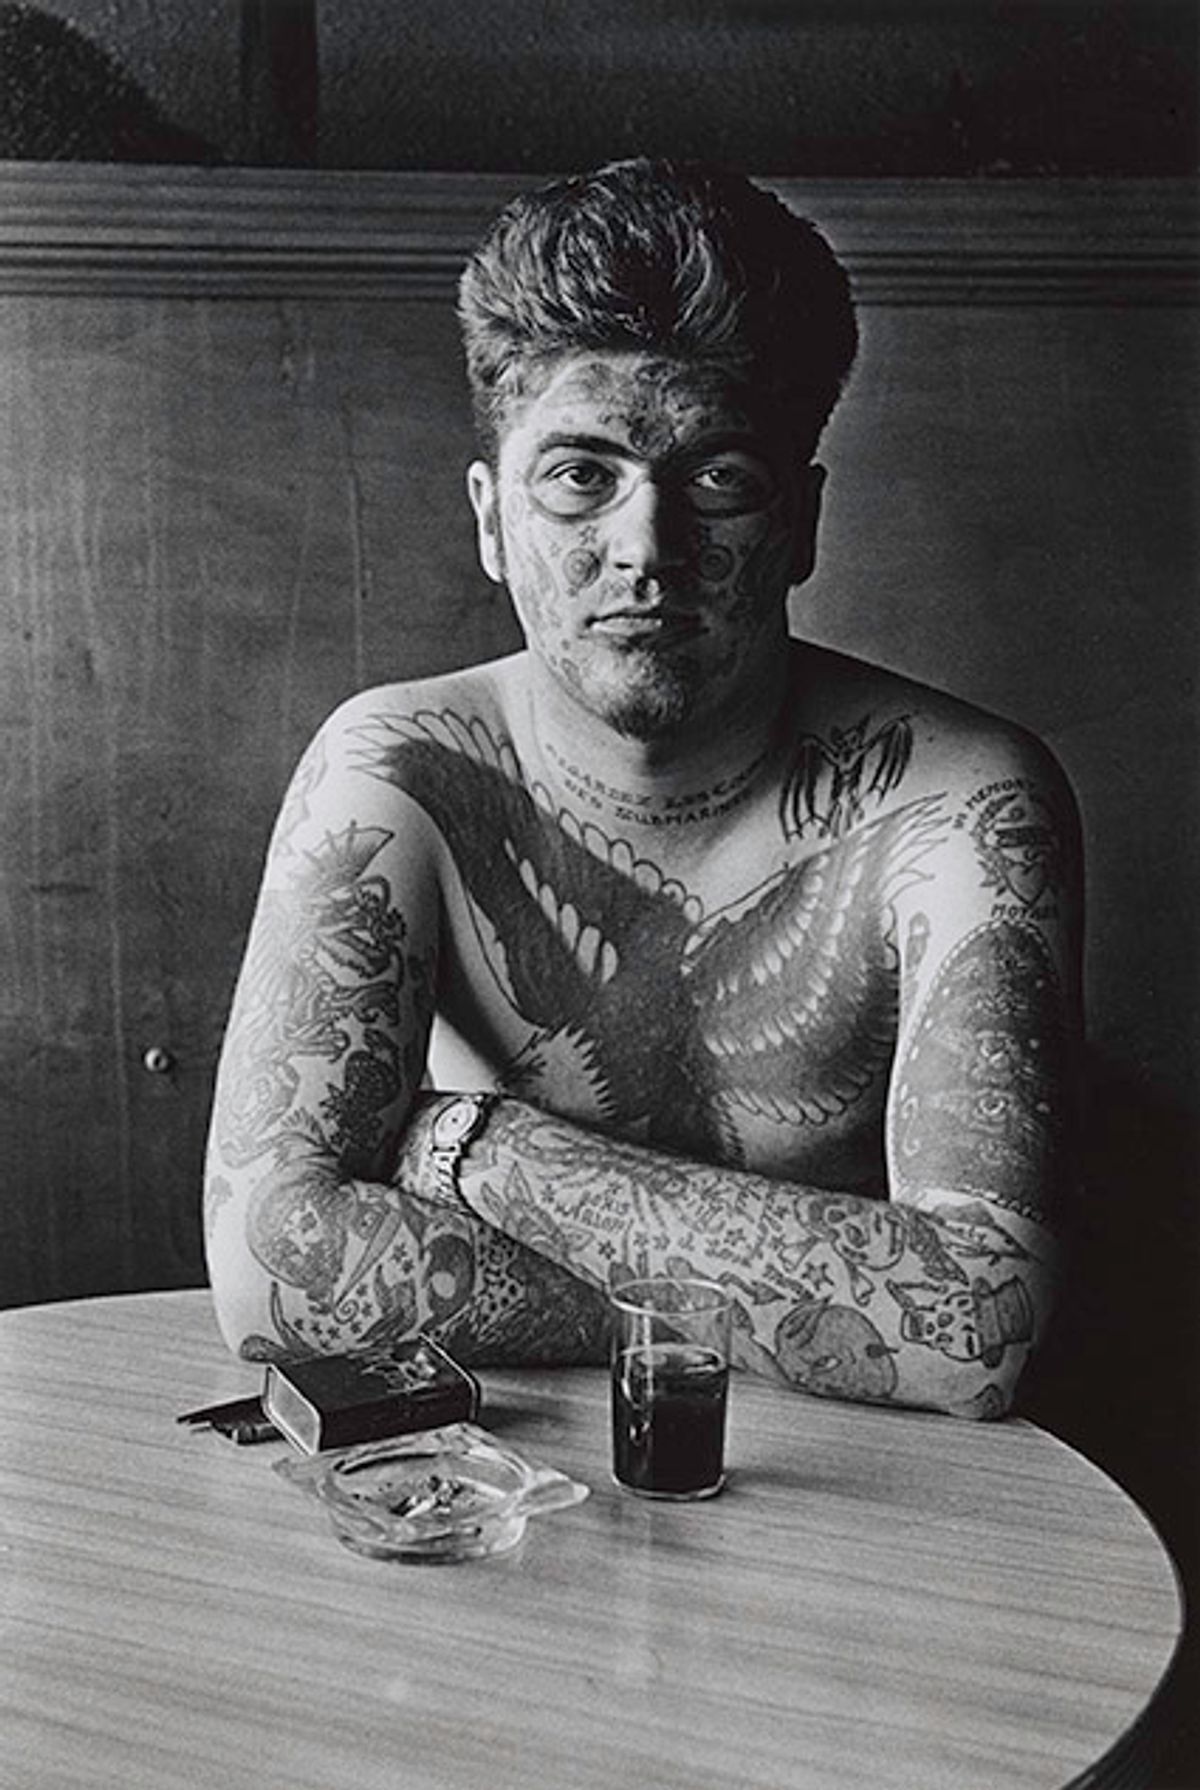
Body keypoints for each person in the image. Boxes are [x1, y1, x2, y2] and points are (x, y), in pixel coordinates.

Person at [204, 157, 1082, 1420]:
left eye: (719, 478)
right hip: (514, 1476)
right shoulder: (394, 768)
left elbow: (977, 1327)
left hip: (872, 1483)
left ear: (801, 522)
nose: (647, 549)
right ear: (492, 519)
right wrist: (774, 1307)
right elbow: (271, 1275)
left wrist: (474, 1145)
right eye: (580, 475)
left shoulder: (959, 803)